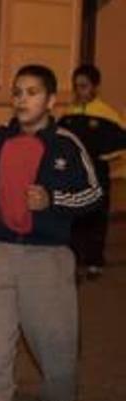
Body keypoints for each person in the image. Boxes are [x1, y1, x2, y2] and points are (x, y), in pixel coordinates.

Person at [0, 65, 103, 401]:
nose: (22, 99)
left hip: (46, 256)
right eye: (17, 92)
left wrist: (54, 200)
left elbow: (93, 194)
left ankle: (57, 398)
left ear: (51, 100)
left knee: (54, 337)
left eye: (32, 92)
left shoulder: (66, 143)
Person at [60, 63, 126, 281]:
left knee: (97, 216)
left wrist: (101, 158)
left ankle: (94, 260)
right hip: (74, 174)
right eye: (76, 86)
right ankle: (74, 257)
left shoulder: (107, 114)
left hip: (97, 172)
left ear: (95, 87)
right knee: (75, 214)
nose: (80, 91)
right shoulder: (69, 113)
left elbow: (120, 143)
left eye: (84, 86)